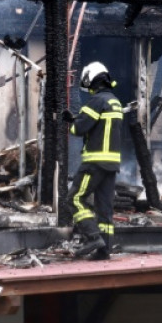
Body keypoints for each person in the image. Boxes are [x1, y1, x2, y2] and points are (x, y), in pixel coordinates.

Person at [62, 61, 123, 260]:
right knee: (104, 208)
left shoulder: (97, 102)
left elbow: (79, 129)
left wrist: (70, 122)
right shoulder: (114, 101)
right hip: (112, 164)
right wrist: (77, 119)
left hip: (95, 161)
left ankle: (92, 237)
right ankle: (104, 250)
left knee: (74, 198)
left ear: (92, 80)